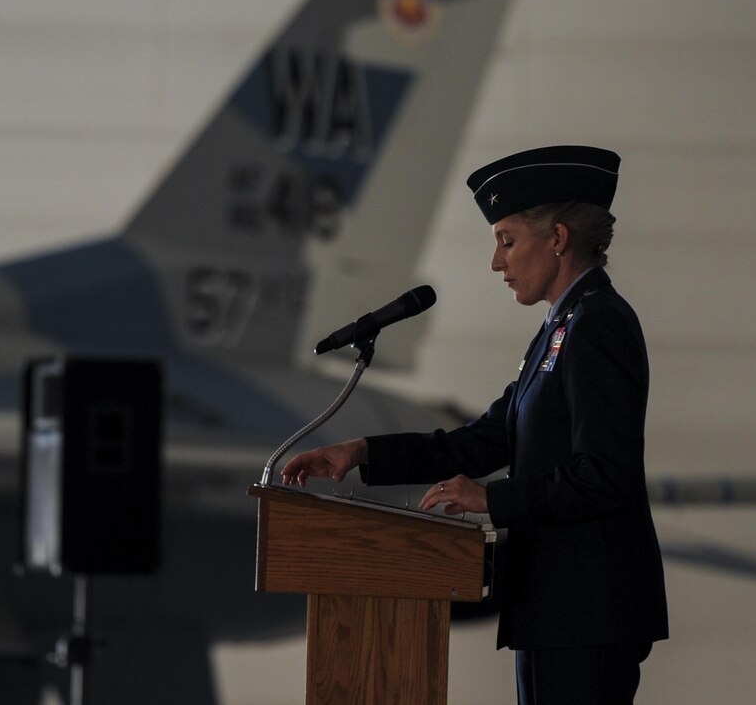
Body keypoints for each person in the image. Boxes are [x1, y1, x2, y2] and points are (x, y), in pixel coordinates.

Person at [280, 145, 668, 705]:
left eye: (506, 241)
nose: (495, 262)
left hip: (588, 610)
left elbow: (605, 475)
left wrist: (490, 499)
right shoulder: (561, 326)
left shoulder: (598, 324)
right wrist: (362, 453)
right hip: (558, 608)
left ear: (557, 239)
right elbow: (485, 439)